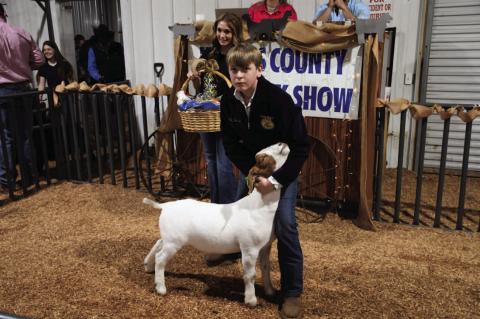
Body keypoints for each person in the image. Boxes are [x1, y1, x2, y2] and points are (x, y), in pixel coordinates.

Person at [220, 43, 309, 319]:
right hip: (253, 172)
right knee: (235, 215)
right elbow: (231, 144)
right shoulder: (228, 102)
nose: (239, 76)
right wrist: (253, 173)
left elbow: (301, 146)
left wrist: (277, 180)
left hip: (283, 174)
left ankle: (292, 292)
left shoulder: (278, 100)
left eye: (245, 69)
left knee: (285, 224)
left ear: (259, 69)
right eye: (234, 69)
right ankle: (228, 251)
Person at [187, 13, 242, 205]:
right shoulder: (208, 54)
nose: (222, 35)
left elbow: (242, 85)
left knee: (223, 162)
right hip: (206, 113)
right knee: (211, 160)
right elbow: (201, 87)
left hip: (228, 115)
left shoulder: (239, 55)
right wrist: (195, 79)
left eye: (227, 31)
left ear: (234, 33)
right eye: (219, 30)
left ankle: (228, 206)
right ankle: (216, 204)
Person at [0, 3, 44, 190]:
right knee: (26, 135)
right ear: (4, 13)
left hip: (2, 90)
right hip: (24, 88)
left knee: (5, 137)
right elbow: (39, 60)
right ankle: (30, 176)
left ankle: (6, 180)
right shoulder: (21, 32)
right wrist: (22, 66)